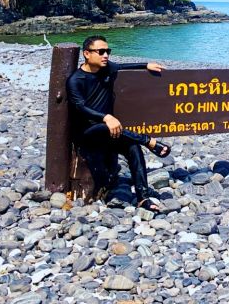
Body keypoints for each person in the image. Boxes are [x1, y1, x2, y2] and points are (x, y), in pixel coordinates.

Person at [66, 35, 170, 211]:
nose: (105, 55)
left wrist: (146, 65)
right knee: (112, 129)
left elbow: (123, 66)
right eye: (100, 52)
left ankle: (143, 198)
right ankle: (149, 141)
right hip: (87, 134)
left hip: (110, 131)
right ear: (86, 54)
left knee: (133, 148)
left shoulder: (107, 69)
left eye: (108, 51)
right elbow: (80, 107)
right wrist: (106, 117)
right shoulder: (76, 80)